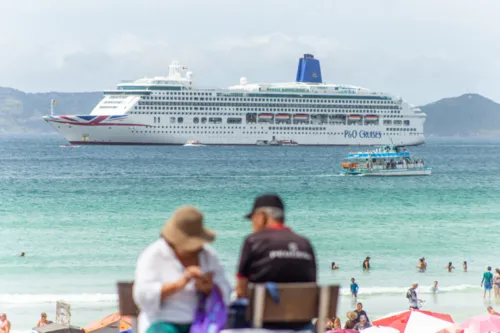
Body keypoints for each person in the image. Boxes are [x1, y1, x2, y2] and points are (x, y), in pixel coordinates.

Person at [133, 206, 231, 333]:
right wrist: (180, 283)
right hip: (163, 321)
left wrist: (209, 288)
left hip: (202, 322)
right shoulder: (153, 255)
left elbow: (227, 290)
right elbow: (142, 296)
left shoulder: (208, 255)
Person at [236, 194, 317, 330]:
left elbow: (241, 290)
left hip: (263, 324)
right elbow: (312, 285)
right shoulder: (305, 243)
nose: (252, 223)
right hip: (301, 325)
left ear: (261, 216)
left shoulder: (253, 241)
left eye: (253, 218)